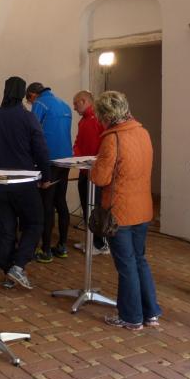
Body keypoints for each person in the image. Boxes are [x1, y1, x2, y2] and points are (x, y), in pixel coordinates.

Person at [91, 91, 161, 331]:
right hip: (142, 206)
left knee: (126, 265)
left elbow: (100, 178)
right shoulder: (143, 132)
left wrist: (94, 166)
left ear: (105, 115)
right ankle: (150, 312)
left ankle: (131, 317)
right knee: (140, 260)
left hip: (119, 210)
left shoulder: (112, 139)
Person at [0, 76, 48, 289]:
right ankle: (18, 266)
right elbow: (40, 149)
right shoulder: (28, 117)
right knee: (35, 223)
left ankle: (8, 271)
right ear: (23, 93)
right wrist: (46, 176)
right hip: (24, 182)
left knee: (6, 229)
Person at [26, 82, 73, 262]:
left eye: (29, 100)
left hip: (49, 160)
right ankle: (62, 246)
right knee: (60, 201)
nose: (30, 104)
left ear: (32, 95)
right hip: (66, 159)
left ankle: (45, 250)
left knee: (46, 205)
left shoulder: (39, 104)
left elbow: (32, 131)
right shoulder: (64, 104)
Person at [71, 90, 108, 255]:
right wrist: (77, 156)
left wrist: (97, 161)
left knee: (96, 208)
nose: (74, 108)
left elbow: (106, 143)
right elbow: (78, 142)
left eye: (76, 104)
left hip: (96, 171)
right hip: (84, 170)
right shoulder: (83, 121)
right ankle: (90, 240)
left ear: (84, 101)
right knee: (87, 207)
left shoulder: (99, 119)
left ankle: (101, 244)